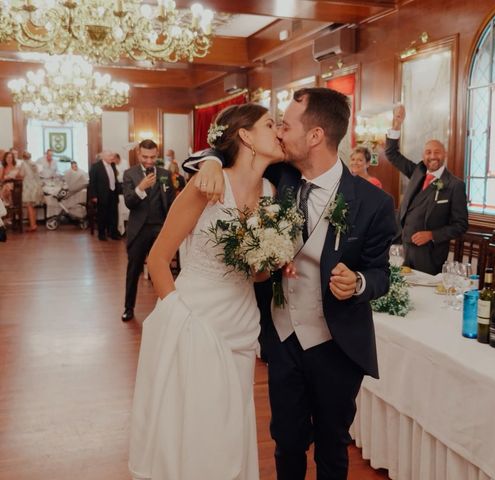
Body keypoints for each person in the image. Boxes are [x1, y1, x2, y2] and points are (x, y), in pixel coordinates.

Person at [189, 88, 398, 480]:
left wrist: (357, 284)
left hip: (336, 344)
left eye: (285, 125)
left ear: (315, 136)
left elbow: (380, 274)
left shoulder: (373, 204)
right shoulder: (278, 175)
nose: (279, 134)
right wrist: (213, 161)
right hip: (282, 338)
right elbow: (227, 148)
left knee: (333, 446)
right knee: (286, 441)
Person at [128, 104, 283, 479]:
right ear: (245, 136)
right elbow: (158, 259)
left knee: (230, 426)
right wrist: (181, 315)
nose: (278, 130)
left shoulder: (271, 191)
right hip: (197, 318)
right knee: (196, 423)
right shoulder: (208, 182)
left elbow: (258, 276)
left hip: (241, 322)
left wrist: (269, 260)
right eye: (269, 124)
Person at [385, 104, 468, 275]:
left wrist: (432, 234)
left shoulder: (454, 185)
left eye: (437, 152)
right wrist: (397, 124)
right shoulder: (417, 171)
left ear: (444, 154)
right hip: (402, 249)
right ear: (423, 155)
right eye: (428, 152)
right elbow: (392, 153)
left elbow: (460, 225)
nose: (432, 156)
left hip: (429, 255)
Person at [121, 140, 175, 322]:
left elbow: (172, 202)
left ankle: (168, 309)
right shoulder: (130, 174)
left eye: (153, 157)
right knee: (133, 269)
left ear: (157, 154)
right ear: (138, 154)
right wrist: (140, 188)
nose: (149, 161)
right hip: (139, 229)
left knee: (162, 271)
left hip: (161, 227)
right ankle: (128, 308)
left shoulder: (166, 174)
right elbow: (129, 202)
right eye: (145, 157)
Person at [88, 151, 120, 241]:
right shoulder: (96, 167)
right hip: (102, 194)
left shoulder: (113, 165)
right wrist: (94, 196)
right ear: (103, 157)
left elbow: (114, 179)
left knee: (114, 214)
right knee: (102, 215)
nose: (112, 157)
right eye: (110, 155)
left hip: (113, 193)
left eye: (112, 155)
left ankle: (113, 233)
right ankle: (101, 234)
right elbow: (92, 183)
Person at [20, 151, 44, 232]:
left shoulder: (24, 164)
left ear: (23, 157)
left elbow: (21, 174)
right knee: (33, 206)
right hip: (35, 186)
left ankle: (32, 225)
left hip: (28, 186)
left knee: (29, 206)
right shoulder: (34, 164)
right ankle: (34, 224)